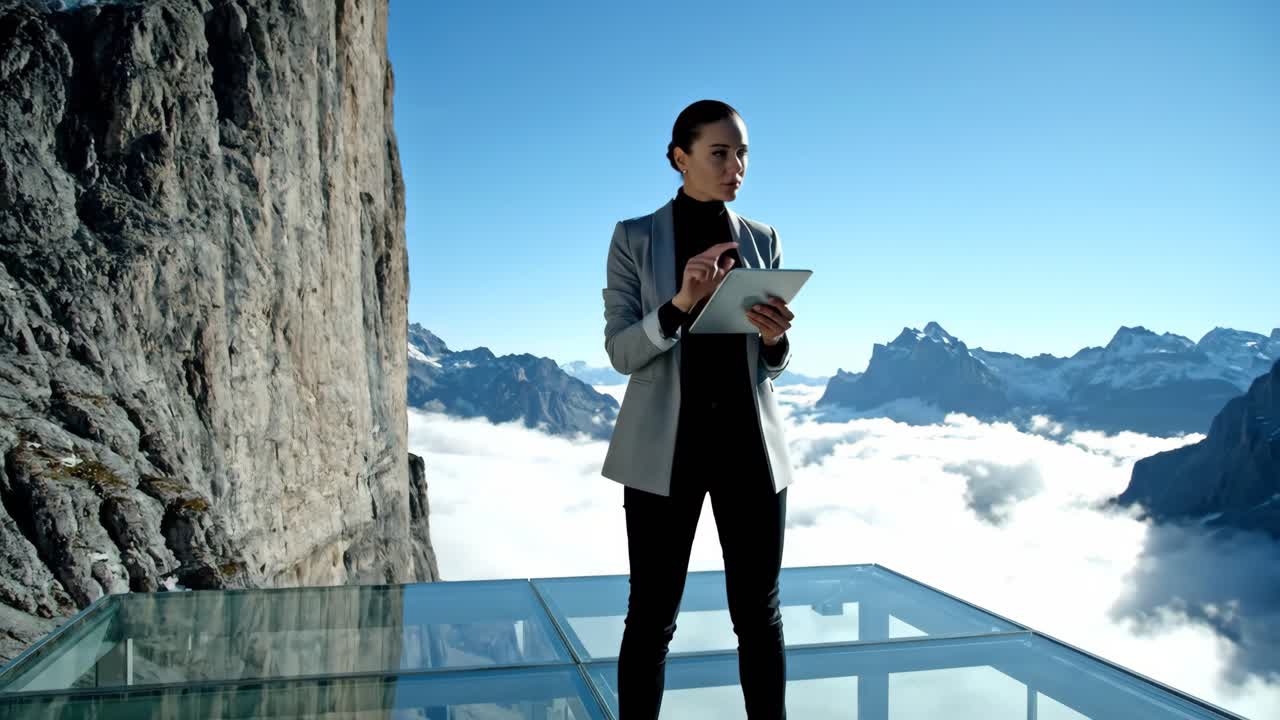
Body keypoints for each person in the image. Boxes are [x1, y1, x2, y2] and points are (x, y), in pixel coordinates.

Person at [600, 99, 797, 719]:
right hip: (664, 453)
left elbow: (770, 364)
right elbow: (621, 353)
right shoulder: (633, 238)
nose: (736, 166)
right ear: (679, 158)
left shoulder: (763, 238)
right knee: (651, 619)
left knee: (760, 616)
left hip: (750, 450)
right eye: (720, 153)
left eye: (742, 153)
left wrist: (775, 340)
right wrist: (680, 303)